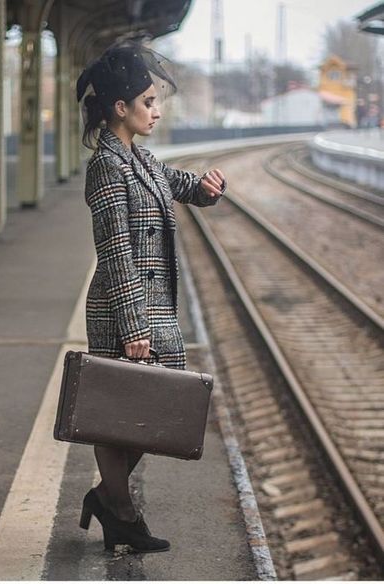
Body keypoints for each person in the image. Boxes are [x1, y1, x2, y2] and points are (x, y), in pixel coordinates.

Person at [76, 39, 226, 554]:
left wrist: (203, 189)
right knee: (119, 413)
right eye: (149, 102)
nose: (157, 111)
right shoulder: (106, 167)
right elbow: (115, 250)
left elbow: (170, 182)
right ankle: (120, 511)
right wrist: (133, 326)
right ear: (120, 108)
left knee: (143, 414)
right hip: (126, 310)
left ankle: (107, 499)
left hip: (152, 308)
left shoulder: (139, 156)